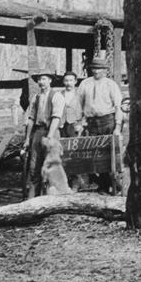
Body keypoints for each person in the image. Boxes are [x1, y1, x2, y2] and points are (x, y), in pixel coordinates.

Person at [78, 56, 123, 192]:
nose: (96, 71)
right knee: (94, 154)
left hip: (107, 120)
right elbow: (78, 105)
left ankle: (113, 184)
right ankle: (102, 184)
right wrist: (80, 122)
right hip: (91, 122)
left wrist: (117, 126)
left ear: (105, 70)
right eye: (94, 68)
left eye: (99, 69)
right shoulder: (85, 84)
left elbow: (118, 106)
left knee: (109, 154)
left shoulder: (111, 84)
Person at [21, 69, 65, 198]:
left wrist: (50, 136)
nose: (41, 82)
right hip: (38, 132)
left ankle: (51, 198)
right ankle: (33, 198)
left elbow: (56, 118)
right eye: (39, 79)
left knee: (51, 165)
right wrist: (28, 139)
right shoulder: (36, 97)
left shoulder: (57, 96)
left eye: (44, 79)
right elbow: (31, 118)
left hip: (51, 132)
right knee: (34, 166)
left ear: (50, 80)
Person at [60, 71, 84, 138]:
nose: (68, 83)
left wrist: (81, 124)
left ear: (75, 81)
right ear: (63, 81)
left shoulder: (80, 95)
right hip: (62, 126)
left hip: (76, 126)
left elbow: (86, 111)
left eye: (71, 80)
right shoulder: (59, 95)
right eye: (66, 80)